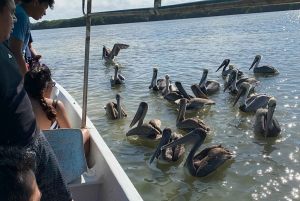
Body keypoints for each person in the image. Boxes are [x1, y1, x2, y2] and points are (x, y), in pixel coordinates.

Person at [0, 0, 73, 200]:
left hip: (34, 137)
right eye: (10, 13)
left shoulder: (4, 47)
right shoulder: (10, 46)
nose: (15, 19)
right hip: (14, 151)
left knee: (62, 196)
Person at [24, 64, 90, 155]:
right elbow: (70, 138)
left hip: (31, 160)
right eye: (52, 84)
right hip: (54, 158)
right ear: (47, 88)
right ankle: (79, 166)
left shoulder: (20, 107)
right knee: (85, 132)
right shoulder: (55, 106)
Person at [8, 0, 51, 77]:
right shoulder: (22, 16)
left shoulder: (19, 11)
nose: (45, 13)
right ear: (36, 3)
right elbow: (15, 52)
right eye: (45, 8)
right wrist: (27, 80)